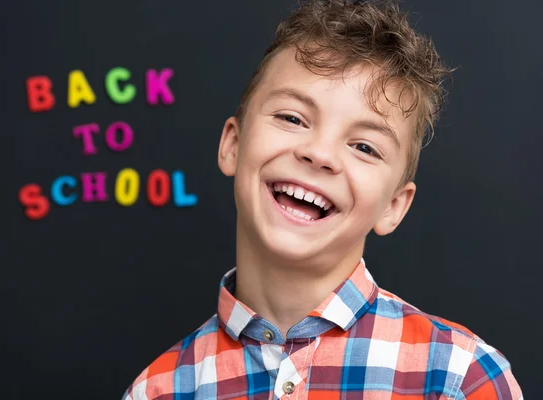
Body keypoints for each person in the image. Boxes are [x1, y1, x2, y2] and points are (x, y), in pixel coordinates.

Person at [122, 0, 522, 398]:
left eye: (364, 147)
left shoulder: (461, 377)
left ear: (393, 206)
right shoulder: (157, 390)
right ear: (233, 144)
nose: (320, 154)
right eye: (292, 118)